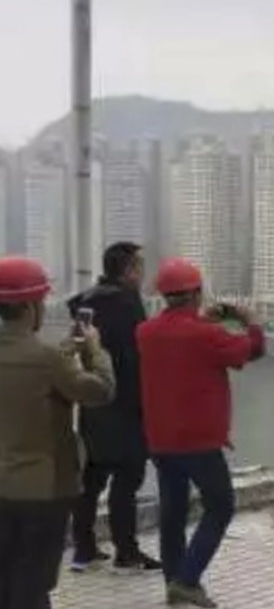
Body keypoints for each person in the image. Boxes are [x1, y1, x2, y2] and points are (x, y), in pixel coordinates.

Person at [0, 256, 115, 609]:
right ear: (32, 306)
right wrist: (94, 350)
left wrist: (64, 355)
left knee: (4, 581)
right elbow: (99, 391)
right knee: (32, 588)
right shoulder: (49, 358)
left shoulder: (48, 357)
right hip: (42, 492)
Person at [137, 258, 265, 609]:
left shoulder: (145, 332)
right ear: (196, 293)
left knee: (173, 512)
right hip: (199, 442)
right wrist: (249, 321)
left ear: (164, 296)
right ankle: (188, 579)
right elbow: (251, 350)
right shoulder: (208, 335)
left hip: (161, 439)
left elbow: (180, 343)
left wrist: (202, 320)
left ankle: (173, 581)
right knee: (221, 506)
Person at [65, 242, 159, 572]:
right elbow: (139, 355)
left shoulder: (86, 302)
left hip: (94, 402)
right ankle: (127, 552)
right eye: (139, 268)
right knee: (127, 479)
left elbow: (77, 345)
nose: (142, 274)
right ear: (129, 270)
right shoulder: (128, 302)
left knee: (90, 480)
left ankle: (84, 549)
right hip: (127, 404)